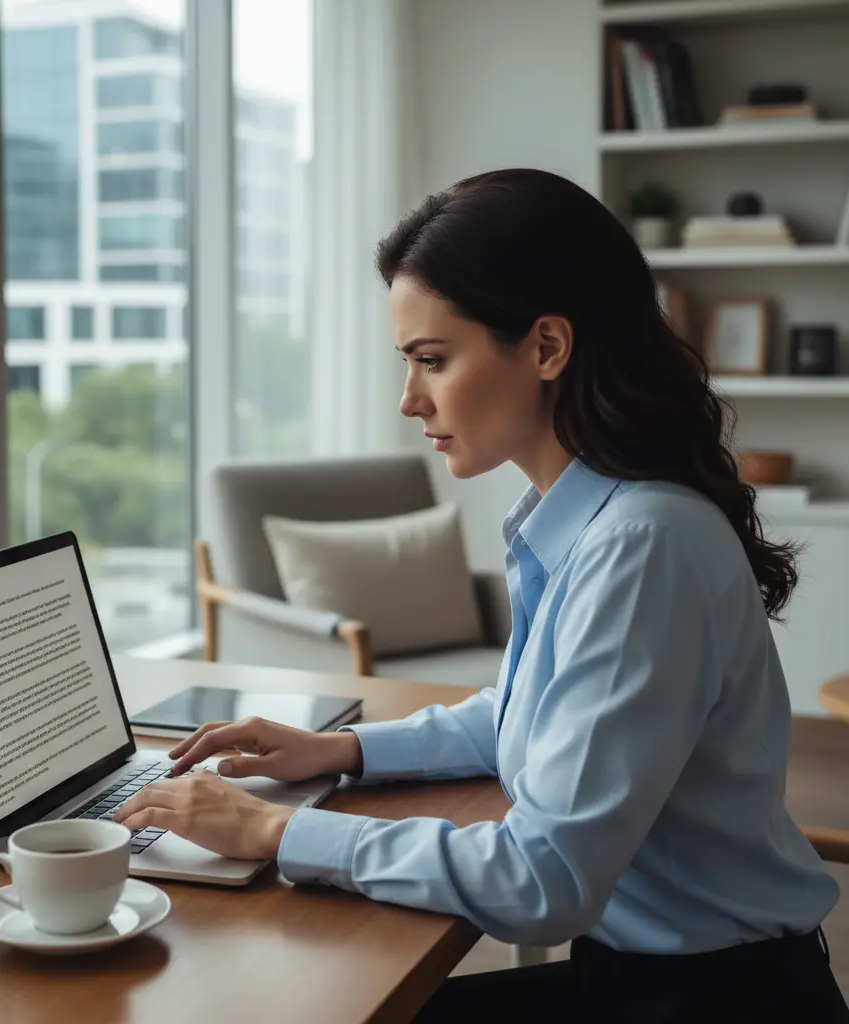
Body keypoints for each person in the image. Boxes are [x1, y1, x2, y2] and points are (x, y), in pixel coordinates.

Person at [114, 168, 849, 1021]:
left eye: (433, 359)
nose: (408, 399)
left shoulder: (641, 546)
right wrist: (341, 753)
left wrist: (274, 830)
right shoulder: (588, 514)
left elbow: (547, 881)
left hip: (716, 1002)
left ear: (546, 347)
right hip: (662, 978)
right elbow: (525, 710)